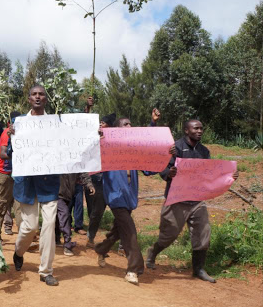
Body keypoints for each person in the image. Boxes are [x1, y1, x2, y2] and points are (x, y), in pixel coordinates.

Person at [145, 119, 238, 283]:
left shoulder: (204, 151)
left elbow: (210, 174)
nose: (200, 131)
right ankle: (153, 252)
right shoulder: (175, 148)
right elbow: (163, 168)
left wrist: (229, 176)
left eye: (201, 128)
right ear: (186, 130)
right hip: (176, 199)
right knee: (169, 236)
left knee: (203, 234)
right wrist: (169, 173)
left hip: (197, 200)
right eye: (196, 128)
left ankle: (198, 269)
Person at [94, 112, 174, 285]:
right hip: (115, 196)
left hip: (129, 197)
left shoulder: (134, 150)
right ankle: (133, 269)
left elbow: (148, 166)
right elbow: (93, 159)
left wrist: (166, 153)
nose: (129, 127)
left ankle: (101, 249)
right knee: (130, 231)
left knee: (118, 230)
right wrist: (98, 138)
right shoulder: (108, 147)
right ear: (116, 130)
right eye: (125, 124)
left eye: (130, 124)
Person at [10, 85, 60, 286]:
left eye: (41, 94)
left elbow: (70, 143)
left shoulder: (56, 123)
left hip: (49, 184)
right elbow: (10, 151)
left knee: (49, 225)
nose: (38, 97)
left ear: (45, 99)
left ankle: (46, 271)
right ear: (29, 98)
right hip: (28, 185)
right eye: (34, 94)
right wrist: (12, 135)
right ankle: (18, 251)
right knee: (30, 227)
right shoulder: (19, 124)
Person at [84, 113, 116, 248]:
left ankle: (116, 241)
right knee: (97, 212)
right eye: (100, 122)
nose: (100, 125)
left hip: (114, 182)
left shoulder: (115, 141)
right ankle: (90, 237)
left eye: (103, 123)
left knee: (120, 213)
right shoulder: (93, 139)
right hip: (99, 181)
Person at [0, 111, 21, 237]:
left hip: (19, 174)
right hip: (5, 175)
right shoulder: (6, 134)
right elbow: (3, 155)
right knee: (2, 205)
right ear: (10, 123)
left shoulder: (21, 134)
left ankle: (24, 237)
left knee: (20, 206)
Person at [56, 173, 95, 256]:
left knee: (59, 217)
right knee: (64, 214)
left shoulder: (74, 161)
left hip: (67, 193)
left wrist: (89, 185)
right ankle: (67, 244)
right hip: (55, 193)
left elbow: (82, 172)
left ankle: (57, 238)